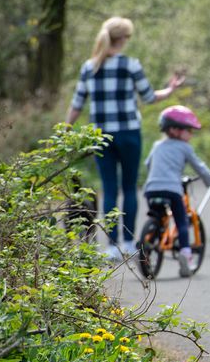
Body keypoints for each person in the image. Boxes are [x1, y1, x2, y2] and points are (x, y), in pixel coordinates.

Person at [65, 16, 184, 260]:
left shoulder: (90, 67)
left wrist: (66, 130)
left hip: (100, 136)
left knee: (109, 189)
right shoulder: (130, 65)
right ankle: (128, 243)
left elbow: (77, 104)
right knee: (129, 187)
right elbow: (149, 97)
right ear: (123, 39)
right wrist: (170, 90)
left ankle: (111, 246)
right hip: (129, 133)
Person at [143, 106, 210, 277]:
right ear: (175, 130)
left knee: (159, 216)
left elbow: (148, 164)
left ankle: (150, 239)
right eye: (189, 130)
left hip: (151, 189)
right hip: (172, 190)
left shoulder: (157, 145)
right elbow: (199, 167)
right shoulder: (185, 148)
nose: (191, 134)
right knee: (182, 221)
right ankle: (185, 253)